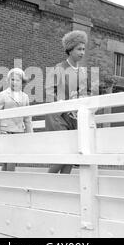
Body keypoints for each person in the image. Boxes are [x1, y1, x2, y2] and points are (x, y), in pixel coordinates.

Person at [45, 30, 90, 174]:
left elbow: (83, 93)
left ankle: (62, 185)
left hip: (74, 116)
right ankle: (45, 182)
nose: (82, 52)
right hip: (58, 115)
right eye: (79, 49)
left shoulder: (83, 72)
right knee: (65, 153)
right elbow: (49, 90)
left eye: (83, 49)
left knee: (72, 156)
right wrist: (61, 102)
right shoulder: (60, 68)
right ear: (70, 50)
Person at [0, 68, 32, 171]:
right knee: (11, 157)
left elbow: (27, 117)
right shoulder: (2, 95)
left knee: (10, 159)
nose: (14, 82)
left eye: (17, 80)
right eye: (12, 80)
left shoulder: (25, 97)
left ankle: (2, 180)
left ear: (22, 82)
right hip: (5, 131)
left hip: (19, 131)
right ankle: (10, 179)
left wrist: (30, 134)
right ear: (9, 80)